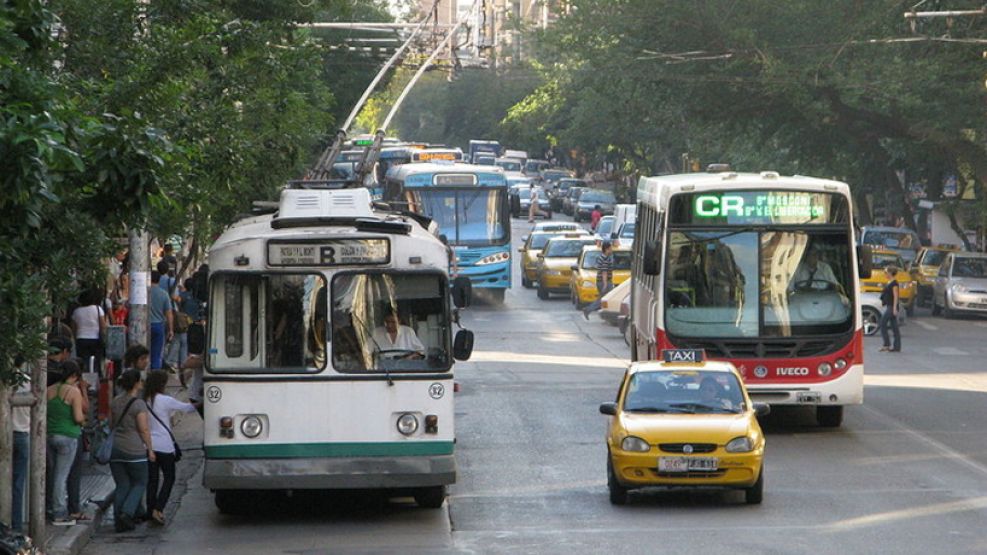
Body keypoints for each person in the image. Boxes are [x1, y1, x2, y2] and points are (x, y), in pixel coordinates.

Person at [143, 370, 198, 525]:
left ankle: (150, 510)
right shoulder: (165, 400)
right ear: (161, 384)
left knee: (152, 480)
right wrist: (202, 399)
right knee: (169, 477)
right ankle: (159, 508)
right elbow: (188, 408)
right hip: (165, 446)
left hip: (149, 446)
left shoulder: (144, 400)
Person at [109, 369, 155, 533]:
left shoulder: (115, 401)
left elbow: (111, 424)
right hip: (134, 449)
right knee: (140, 482)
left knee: (122, 484)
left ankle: (118, 519)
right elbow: (143, 429)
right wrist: (150, 449)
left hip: (115, 449)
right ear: (136, 383)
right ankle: (126, 513)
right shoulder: (138, 404)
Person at [46, 359, 85, 526]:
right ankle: (60, 513)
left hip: (50, 435)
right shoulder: (73, 391)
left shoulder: (48, 390)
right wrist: (83, 421)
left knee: (53, 474)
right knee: (62, 476)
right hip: (68, 436)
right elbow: (78, 417)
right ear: (74, 375)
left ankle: (50, 507)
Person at [10, 358, 30, 532]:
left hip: (7, 432)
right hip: (22, 433)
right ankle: (16, 527)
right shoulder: (28, 382)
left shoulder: (6, 380)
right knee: (18, 484)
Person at [70, 289, 107, 374]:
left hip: (81, 338)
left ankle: (84, 376)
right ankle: (96, 376)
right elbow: (103, 326)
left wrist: (76, 338)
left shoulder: (76, 311)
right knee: (96, 361)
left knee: (83, 361)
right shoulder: (98, 309)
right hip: (95, 339)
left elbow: (73, 328)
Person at [148, 271, 174, 370]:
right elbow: (169, 313)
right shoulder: (164, 294)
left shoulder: (144, 293)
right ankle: (155, 374)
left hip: (144, 326)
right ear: (159, 280)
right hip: (158, 326)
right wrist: (171, 329)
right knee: (157, 354)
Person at [583, 242, 615, 319]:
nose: (611, 250)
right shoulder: (605, 259)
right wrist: (605, 284)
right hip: (604, 282)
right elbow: (604, 272)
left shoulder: (603, 257)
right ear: (607, 249)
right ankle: (588, 309)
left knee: (602, 299)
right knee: (605, 299)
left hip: (602, 281)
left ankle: (591, 310)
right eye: (610, 248)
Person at [879, 265, 902, 353]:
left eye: (886, 272)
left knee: (883, 323)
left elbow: (896, 296)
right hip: (889, 305)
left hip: (892, 307)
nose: (885, 274)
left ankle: (886, 344)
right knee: (894, 327)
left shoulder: (894, 284)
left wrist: (895, 308)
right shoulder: (889, 282)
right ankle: (896, 346)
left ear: (890, 273)